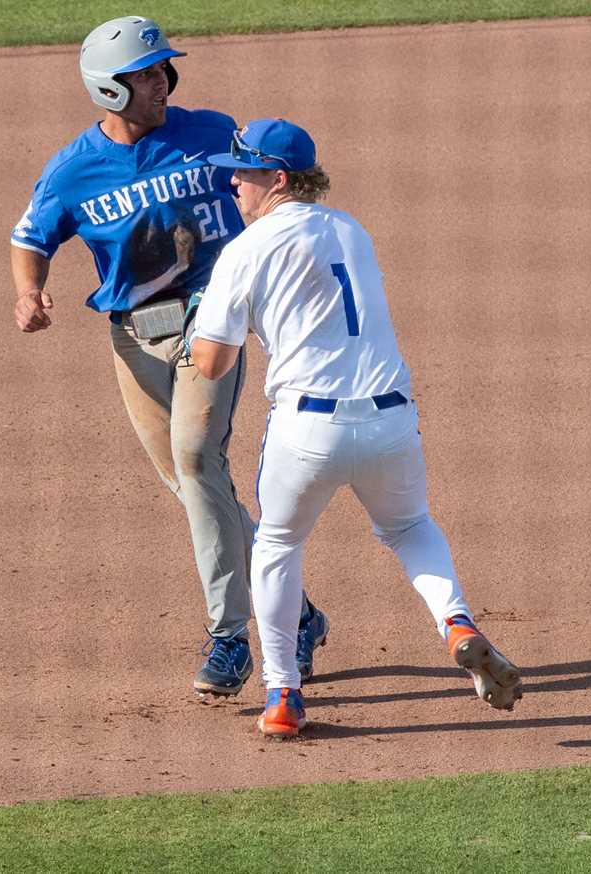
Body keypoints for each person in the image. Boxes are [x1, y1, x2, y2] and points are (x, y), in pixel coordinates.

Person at [10, 18, 329, 698]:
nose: (161, 82)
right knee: (194, 485)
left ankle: (230, 638)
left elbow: (274, 182)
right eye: (146, 75)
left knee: (196, 459)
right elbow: (31, 235)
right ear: (109, 90)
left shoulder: (211, 133)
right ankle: (298, 611)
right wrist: (29, 292)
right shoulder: (73, 170)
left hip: (211, 321)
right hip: (134, 337)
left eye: (162, 71)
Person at [190, 118, 524, 737]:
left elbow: (213, 362)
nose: (232, 182)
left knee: (278, 546)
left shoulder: (244, 251)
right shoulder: (351, 230)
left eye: (243, 171)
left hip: (307, 431)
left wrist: (202, 324)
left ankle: (282, 694)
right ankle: (456, 622)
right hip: (391, 420)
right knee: (410, 526)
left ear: (278, 179)